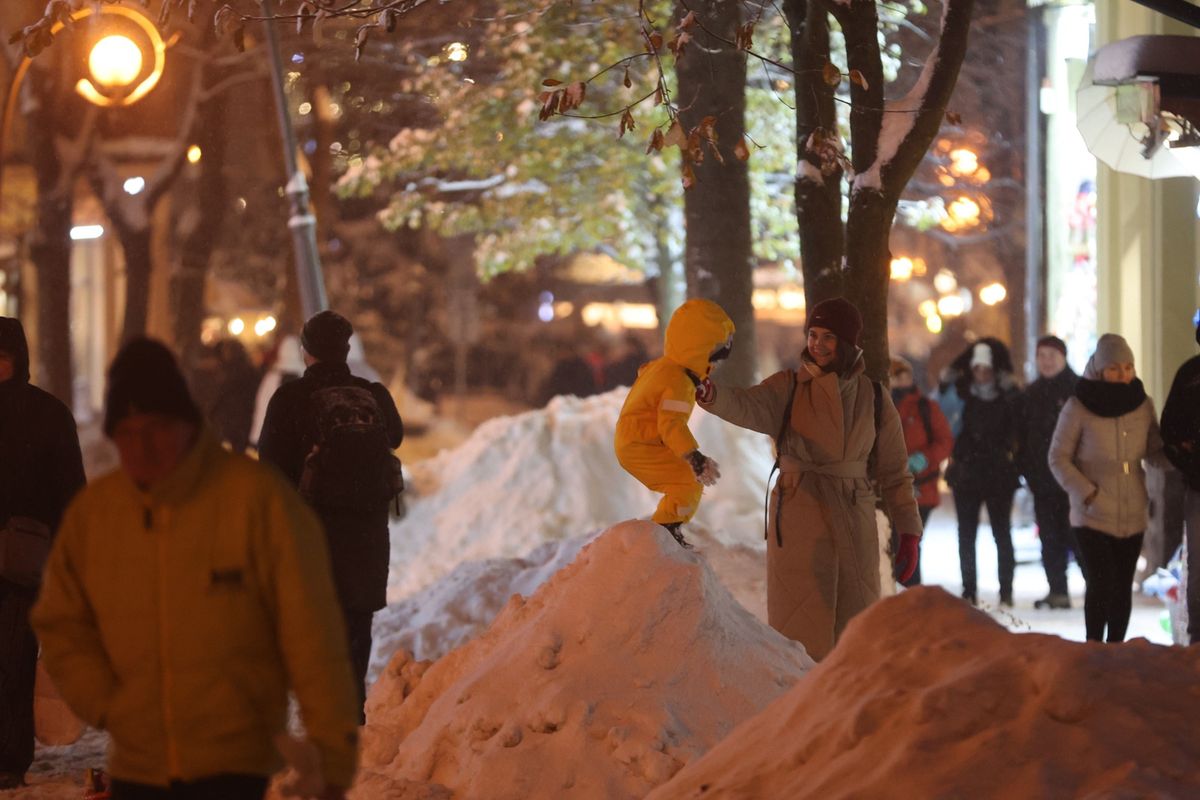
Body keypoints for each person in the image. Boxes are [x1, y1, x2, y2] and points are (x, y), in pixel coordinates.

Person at [31, 338, 358, 799]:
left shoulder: (255, 500)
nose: (143, 447)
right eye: (129, 433)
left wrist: (332, 750)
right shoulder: (101, 514)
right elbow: (62, 620)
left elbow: (311, 631)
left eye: (156, 428)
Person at [696, 297, 922, 660]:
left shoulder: (874, 398)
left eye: (828, 336)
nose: (817, 344)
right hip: (799, 511)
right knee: (800, 629)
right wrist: (711, 396)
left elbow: (895, 472)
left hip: (853, 513)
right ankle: (802, 705)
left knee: (855, 630)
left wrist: (909, 530)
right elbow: (745, 405)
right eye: (813, 335)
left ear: (847, 342)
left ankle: (848, 707)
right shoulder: (788, 387)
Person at [258, 311, 403, 720]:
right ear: (345, 349)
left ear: (306, 351)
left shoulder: (289, 399)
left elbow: (268, 462)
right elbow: (394, 435)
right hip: (367, 533)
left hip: (313, 531)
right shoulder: (372, 393)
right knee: (357, 624)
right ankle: (351, 709)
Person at [0, 317, 86, 790]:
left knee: (13, 660)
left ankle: (10, 755)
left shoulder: (47, 415)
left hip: (24, 558)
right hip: (24, 551)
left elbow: (70, 490)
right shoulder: (48, 413)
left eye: (3, 358)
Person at [1048, 333, 1165, 643]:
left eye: (1128, 367)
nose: (1123, 374)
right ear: (1099, 368)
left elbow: (1154, 448)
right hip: (1092, 512)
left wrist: (1178, 452)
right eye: (1114, 367)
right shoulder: (1078, 406)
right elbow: (1058, 458)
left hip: (1132, 509)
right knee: (1101, 581)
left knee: (1122, 584)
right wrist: (1086, 492)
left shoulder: (1142, 404)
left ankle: (1116, 650)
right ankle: (1094, 647)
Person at [615, 298, 733, 549]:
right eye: (714, 354)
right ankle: (662, 537)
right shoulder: (678, 381)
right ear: (702, 347)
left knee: (685, 482)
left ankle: (664, 534)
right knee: (688, 481)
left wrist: (697, 381)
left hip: (639, 439)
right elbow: (671, 424)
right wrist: (693, 456)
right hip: (642, 444)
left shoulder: (668, 368)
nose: (716, 364)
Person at [939, 338, 1021, 607]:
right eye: (978, 369)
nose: (982, 375)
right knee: (967, 534)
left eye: (987, 369)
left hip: (998, 473)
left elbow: (1019, 429)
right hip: (967, 472)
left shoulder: (1009, 397)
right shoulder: (961, 396)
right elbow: (943, 417)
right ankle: (969, 589)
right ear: (971, 370)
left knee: (1002, 533)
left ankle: (1006, 591)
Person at [1018, 335, 1080, 609]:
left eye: (1051, 355)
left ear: (1063, 357)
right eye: (1041, 355)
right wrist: (1028, 471)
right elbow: (1022, 436)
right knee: (1050, 537)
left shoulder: (1079, 390)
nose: (1046, 361)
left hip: (1075, 480)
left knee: (1078, 536)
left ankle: (1097, 589)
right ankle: (1058, 590)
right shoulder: (1031, 394)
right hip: (1042, 479)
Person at [889, 356, 953, 587]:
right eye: (896, 376)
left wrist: (923, 459)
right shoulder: (879, 406)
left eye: (904, 375)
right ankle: (901, 591)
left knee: (908, 541)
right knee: (894, 542)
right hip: (890, 487)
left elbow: (945, 441)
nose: (901, 381)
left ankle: (910, 592)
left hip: (920, 488)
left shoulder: (926, 407)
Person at [1159, 312, 1200, 644]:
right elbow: (1170, 429)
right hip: (1198, 484)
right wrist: (1189, 462)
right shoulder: (1190, 374)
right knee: (1198, 566)